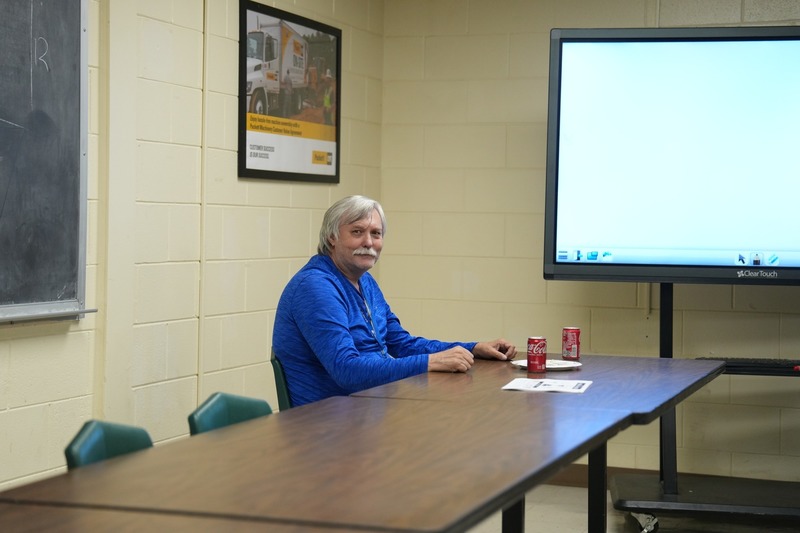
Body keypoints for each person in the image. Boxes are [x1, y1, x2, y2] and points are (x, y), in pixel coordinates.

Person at [272, 195, 517, 406]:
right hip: (325, 426)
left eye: (376, 234)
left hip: (370, 408)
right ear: (331, 238)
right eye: (357, 232)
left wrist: (472, 348)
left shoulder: (364, 281)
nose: (368, 242)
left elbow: (400, 344)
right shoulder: (315, 286)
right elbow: (346, 370)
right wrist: (429, 362)